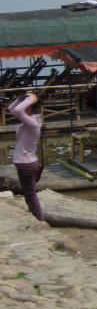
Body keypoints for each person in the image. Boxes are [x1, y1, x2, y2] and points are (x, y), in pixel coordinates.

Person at [8, 93, 44, 221]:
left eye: (24, 104)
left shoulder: (32, 123)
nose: (20, 105)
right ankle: (37, 218)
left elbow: (17, 110)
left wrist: (30, 99)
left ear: (30, 107)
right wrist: (21, 97)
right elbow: (11, 109)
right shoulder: (31, 120)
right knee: (30, 195)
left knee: (30, 196)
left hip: (25, 164)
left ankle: (39, 221)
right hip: (28, 162)